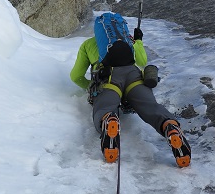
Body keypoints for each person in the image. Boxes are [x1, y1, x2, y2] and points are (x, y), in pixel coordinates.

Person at [70, 14, 191, 167]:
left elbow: (75, 76)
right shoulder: (127, 40)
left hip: (107, 78)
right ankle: (169, 126)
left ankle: (109, 120)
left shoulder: (87, 44)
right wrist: (138, 41)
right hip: (134, 77)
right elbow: (142, 61)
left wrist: (90, 87)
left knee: (104, 108)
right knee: (150, 107)